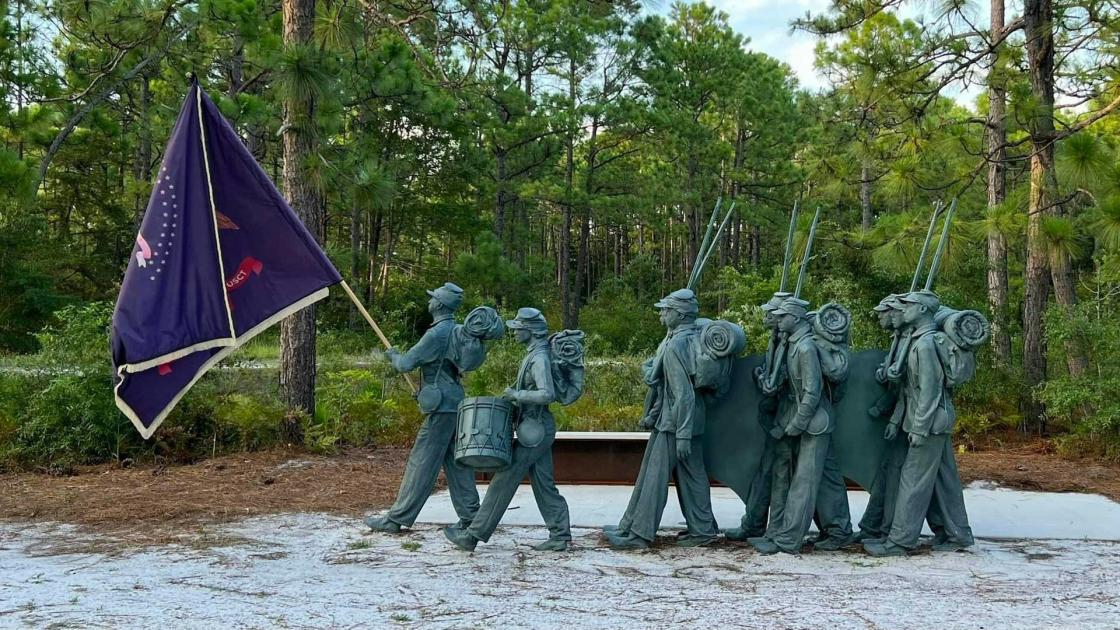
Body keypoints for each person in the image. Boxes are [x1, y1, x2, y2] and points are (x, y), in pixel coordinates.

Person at [444, 308, 573, 552]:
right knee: (544, 484)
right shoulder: (535, 353)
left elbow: (548, 393)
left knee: (504, 480)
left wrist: (517, 394)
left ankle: (473, 535)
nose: (514, 332)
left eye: (518, 328)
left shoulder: (539, 359)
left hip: (535, 429)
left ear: (530, 331)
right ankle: (560, 534)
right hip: (534, 428)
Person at [605, 289, 720, 550]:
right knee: (693, 476)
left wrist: (681, 433)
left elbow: (684, 394)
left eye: (666, 310)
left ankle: (640, 534)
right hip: (690, 420)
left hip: (675, 422)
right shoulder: (690, 338)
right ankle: (702, 530)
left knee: (654, 477)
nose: (661, 314)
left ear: (680, 315)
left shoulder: (676, 344)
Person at [864, 290, 974, 557]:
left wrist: (919, 427)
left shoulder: (925, 344)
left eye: (908, 305)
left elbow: (929, 391)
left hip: (929, 421)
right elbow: (909, 391)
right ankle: (957, 534)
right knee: (943, 480)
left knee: (913, 480)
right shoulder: (916, 340)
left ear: (923, 310)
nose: (903, 310)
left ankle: (900, 541)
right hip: (925, 419)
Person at [365, 283, 480, 533]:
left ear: (438, 304)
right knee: (457, 463)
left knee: (422, 462)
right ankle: (472, 517)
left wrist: (393, 354)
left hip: (441, 407)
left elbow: (406, 363)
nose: (429, 302)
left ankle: (396, 518)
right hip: (455, 402)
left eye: (432, 299)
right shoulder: (458, 331)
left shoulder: (436, 334)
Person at [748, 297, 835, 555]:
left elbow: (812, 393)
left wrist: (797, 423)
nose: (778, 319)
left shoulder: (806, 347)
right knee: (794, 481)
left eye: (783, 316)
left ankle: (789, 540)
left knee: (804, 485)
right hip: (800, 420)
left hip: (813, 423)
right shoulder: (793, 343)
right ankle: (778, 533)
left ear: (795, 319)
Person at [724, 292, 787, 541]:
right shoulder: (777, 340)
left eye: (772, 313)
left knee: (784, 476)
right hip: (773, 418)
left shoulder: (793, 344)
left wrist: (767, 381)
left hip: (787, 421)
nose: (767, 316)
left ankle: (833, 528)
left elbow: (791, 384)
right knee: (767, 473)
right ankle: (755, 523)